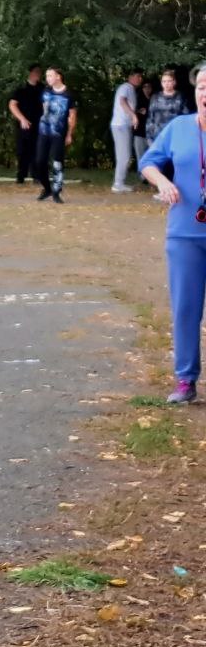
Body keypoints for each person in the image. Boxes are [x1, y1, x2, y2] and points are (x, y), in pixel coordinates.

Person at [139, 64, 206, 403]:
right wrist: (163, 181)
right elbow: (148, 162)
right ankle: (185, 380)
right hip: (184, 233)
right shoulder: (179, 128)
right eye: (202, 87)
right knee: (185, 308)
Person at [36, 67, 77, 203]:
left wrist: (69, 134)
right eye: (46, 76)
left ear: (58, 77)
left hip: (59, 133)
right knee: (39, 161)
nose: (47, 78)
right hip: (44, 132)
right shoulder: (46, 91)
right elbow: (44, 110)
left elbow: (72, 116)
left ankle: (56, 192)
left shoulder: (69, 94)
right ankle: (47, 188)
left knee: (57, 163)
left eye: (50, 76)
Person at [9, 65, 45, 185]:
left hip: (39, 123)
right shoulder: (21, 88)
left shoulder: (43, 89)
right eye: (36, 72)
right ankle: (21, 176)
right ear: (30, 73)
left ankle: (37, 175)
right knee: (23, 150)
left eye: (39, 72)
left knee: (38, 149)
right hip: (24, 124)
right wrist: (22, 119)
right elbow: (12, 105)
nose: (38, 74)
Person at [111, 68, 143, 192]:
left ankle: (119, 183)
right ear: (130, 77)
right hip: (121, 125)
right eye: (137, 76)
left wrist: (137, 112)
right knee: (124, 155)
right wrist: (133, 116)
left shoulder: (130, 89)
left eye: (141, 77)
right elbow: (122, 101)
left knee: (124, 155)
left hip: (122, 125)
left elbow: (125, 105)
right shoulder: (126, 87)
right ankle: (118, 184)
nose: (140, 79)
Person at [147, 67, 189, 145]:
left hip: (175, 136)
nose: (166, 83)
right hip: (158, 137)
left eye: (169, 81)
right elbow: (150, 118)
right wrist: (149, 137)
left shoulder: (181, 96)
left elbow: (185, 118)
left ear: (174, 82)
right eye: (164, 81)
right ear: (161, 83)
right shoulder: (155, 97)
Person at [134, 77, 153, 173]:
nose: (147, 88)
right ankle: (143, 176)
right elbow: (130, 111)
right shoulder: (138, 99)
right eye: (145, 87)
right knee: (140, 156)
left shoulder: (154, 100)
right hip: (139, 133)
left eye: (149, 86)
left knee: (151, 156)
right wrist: (138, 111)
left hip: (151, 133)